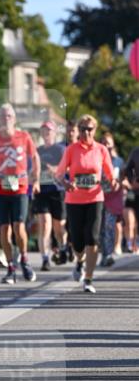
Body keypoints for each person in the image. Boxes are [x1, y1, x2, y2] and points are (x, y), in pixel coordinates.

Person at [54, 114, 118, 293]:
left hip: (95, 198)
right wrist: (66, 183)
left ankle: (88, 279)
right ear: (79, 131)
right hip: (74, 199)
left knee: (92, 238)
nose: (86, 133)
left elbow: (110, 173)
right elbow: (59, 174)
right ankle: (79, 262)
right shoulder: (71, 149)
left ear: (95, 130)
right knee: (77, 241)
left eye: (90, 129)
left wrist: (113, 182)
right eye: (83, 129)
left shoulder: (101, 150)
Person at [0, 103, 40, 284]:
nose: (6, 118)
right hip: (1, 188)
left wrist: (36, 178)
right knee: (3, 229)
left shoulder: (24, 136)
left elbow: (34, 157)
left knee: (18, 227)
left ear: (14, 118)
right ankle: (10, 267)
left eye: (9, 115)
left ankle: (24, 259)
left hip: (21, 187)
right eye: (3, 115)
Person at [34, 120, 67, 270]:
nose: (46, 133)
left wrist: (54, 169)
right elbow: (30, 169)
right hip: (41, 191)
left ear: (54, 133)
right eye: (44, 131)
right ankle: (45, 258)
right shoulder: (37, 151)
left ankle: (62, 247)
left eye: (49, 131)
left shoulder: (60, 150)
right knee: (45, 224)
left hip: (57, 190)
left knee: (58, 227)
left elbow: (67, 169)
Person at [99, 132, 124, 266]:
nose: (106, 145)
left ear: (112, 144)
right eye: (103, 142)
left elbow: (123, 177)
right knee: (100, 228)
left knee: (109, 226)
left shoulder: (118, 161)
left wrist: (119, 183)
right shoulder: (97, 159)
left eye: (108, 142)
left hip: (113, 199)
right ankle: (104, 253)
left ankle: (108, 254)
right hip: (98, 197)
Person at [121, 143, 139, 254]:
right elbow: (127, 169)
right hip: (134, 192)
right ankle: (130, 243)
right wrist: (132, 181)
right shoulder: (135, 152)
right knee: (129, 218)